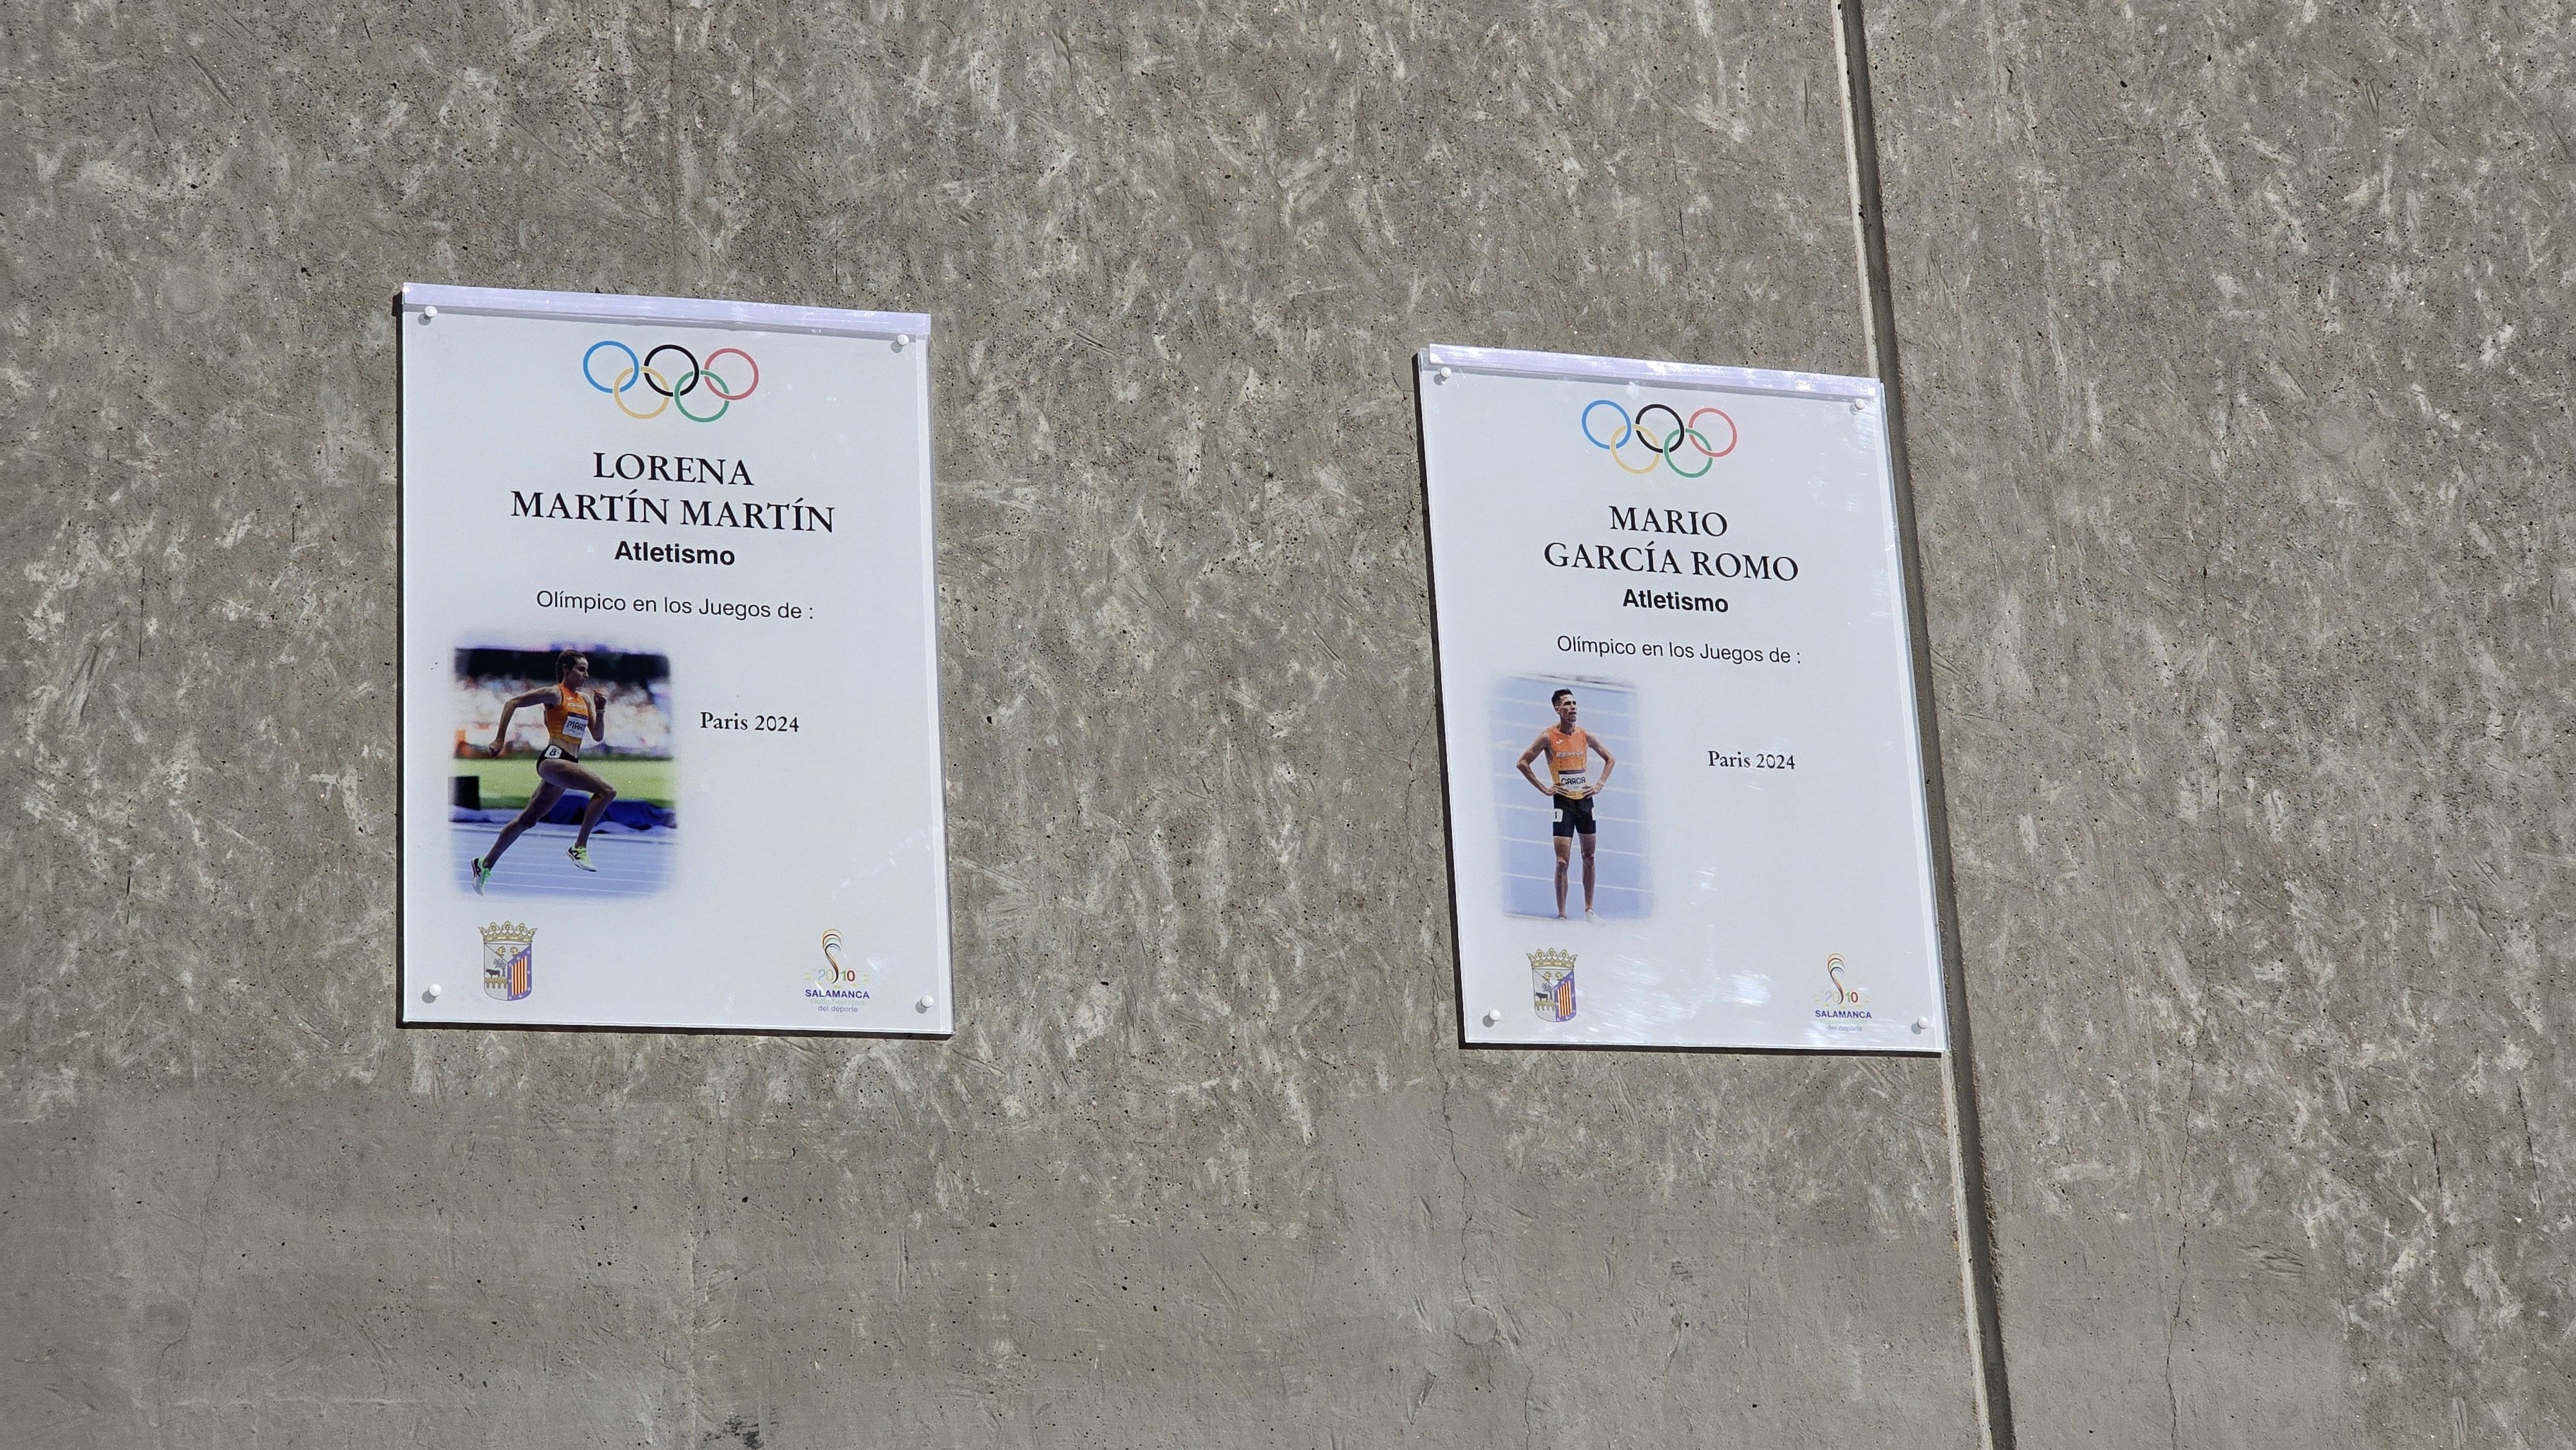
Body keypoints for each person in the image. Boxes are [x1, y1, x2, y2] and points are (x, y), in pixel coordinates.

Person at [470, 650, 618, 891]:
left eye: (587, 670)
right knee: (607, 791)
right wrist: (499, 739)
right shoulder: (554, 693)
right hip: (553, 759)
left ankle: (484, 864)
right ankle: (579, 847)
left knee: (527, 820)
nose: (586, 675)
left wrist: (601, 711)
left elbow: (598, 736)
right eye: (581, 669)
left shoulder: (586, 700)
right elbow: (513, 702)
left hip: (569, 763)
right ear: (566, 670)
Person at [1516, 688, 1615, 921]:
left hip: (1585, 803)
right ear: (1557, 709)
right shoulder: (1547, 737)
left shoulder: (1585, 735)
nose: (1573, 708)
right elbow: (1522, 763)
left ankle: (1589, 909)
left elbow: (1610, 759)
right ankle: (1562, 914)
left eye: (1574, 704)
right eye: (1567, 704)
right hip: (1563, 804)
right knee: (1562, 862)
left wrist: (1599, 784)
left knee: (1589, 856)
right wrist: (1545, 789)